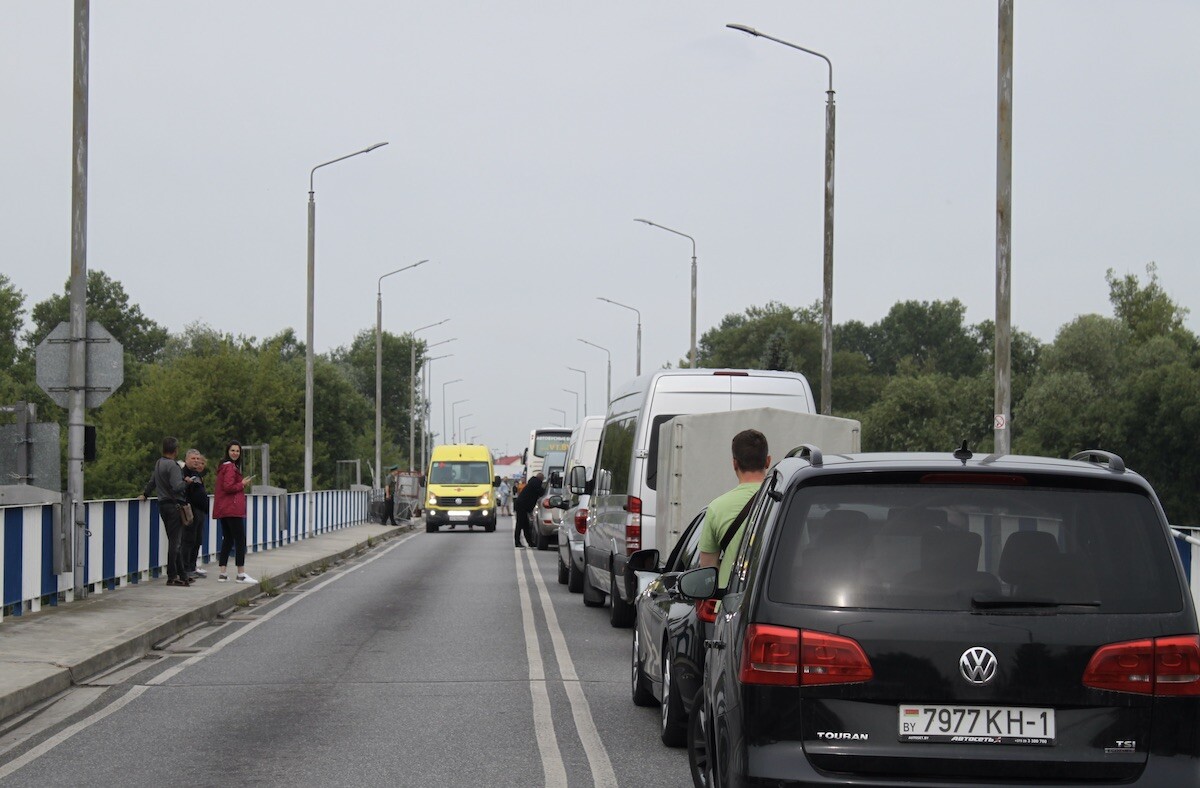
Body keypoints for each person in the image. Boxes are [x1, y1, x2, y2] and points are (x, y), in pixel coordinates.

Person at [698, 429, 771, 590]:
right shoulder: (783, 502)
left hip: (730, 602)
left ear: (734, 463)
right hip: (774, 600)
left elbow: (707, 567)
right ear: (768, 461)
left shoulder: (717, 507)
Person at [143, 437, 193, 586]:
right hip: (174, 506)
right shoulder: (172, 465)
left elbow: (152, 481)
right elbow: (177, 487)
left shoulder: (159, 463)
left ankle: (182, 574)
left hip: (162, 505)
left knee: (173, 540)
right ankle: (172, 575)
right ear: (175, 450)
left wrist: (145, 494)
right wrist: (187, 482)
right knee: (175, 542)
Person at [213, 440, 256, 584]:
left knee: (228, 539)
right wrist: (242, 484)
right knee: (240, 539)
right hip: (232, 508)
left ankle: (223, 573)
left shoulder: (223, 467)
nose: (235, 453)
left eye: (237, 451)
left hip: (223, 508)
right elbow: (228, 487)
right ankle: (241, 573)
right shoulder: (230, 467)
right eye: (233, 450)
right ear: (228, 451)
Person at [180, 449, 210, 578]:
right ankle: (185, 568)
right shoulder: (184, 473)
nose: (196, 461)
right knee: (188, 539)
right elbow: (179, 488)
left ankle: (192, 566)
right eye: (193, 459)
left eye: (198, 459)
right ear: (186, 460)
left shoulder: (197, 474)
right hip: (190, 509)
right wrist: (186, 482)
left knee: (197, 540)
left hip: (200, 510)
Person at [513, 471, 544, 548]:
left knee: (524, 524)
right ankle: (518, 542)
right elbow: (541, 492)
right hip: (522, 506)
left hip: (520, 505)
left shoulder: (532, 482)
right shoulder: (537, 484)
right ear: (541, 479)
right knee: (520, 524)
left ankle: (529, 542)